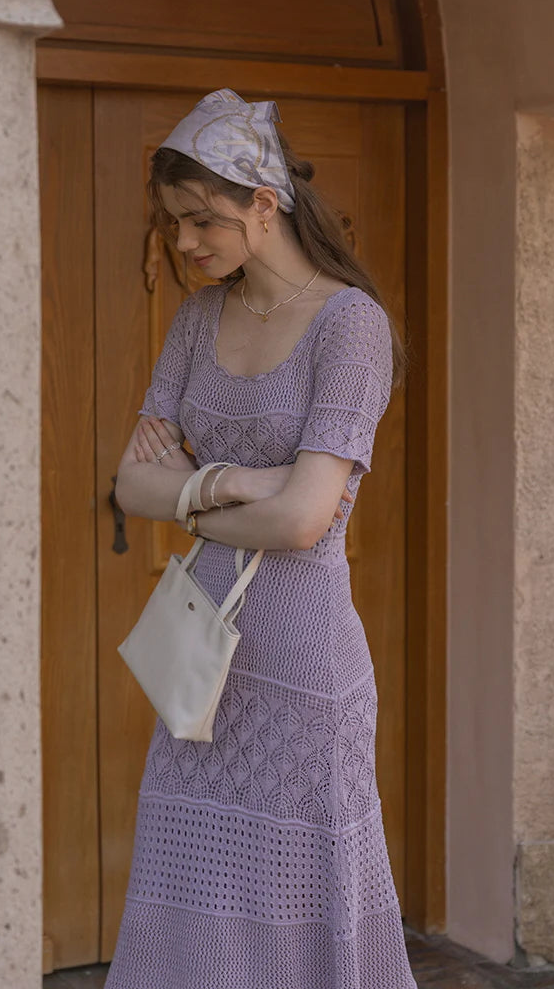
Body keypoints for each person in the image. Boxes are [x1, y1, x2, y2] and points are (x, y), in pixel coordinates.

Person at [106, 88, 415, 989]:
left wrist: (187, 496)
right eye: (176, 224)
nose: (188, 243)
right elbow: (131, 484)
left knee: (299, 889)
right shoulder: (199, 319)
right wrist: (232, 481)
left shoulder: (350, 325)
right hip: (203, 654)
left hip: (303, 661)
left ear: (264, 204)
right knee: (191, 875)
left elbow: (304, 520)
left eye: (204, 220)